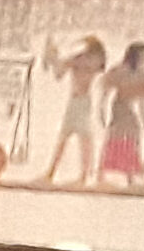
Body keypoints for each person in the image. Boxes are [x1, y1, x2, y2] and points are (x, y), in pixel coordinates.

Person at [39, 34, 106, 184]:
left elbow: (64, 70)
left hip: (82, 102)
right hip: (75, 102)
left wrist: (57, 58)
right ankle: (53, 173)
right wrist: (54, 58)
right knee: (68, 137)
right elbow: (59, 73)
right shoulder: (82, 60)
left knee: (82, 138)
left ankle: (82, 175)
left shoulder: (87, 61)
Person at [97, 41, 144, 186]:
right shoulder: (120, 71)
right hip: (119, 106)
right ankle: (102, 173)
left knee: (132, 139)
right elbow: (106, 93)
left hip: (131, 108)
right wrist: (102, 111)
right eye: (143, 55)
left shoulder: (143, 74)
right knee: (115, 137)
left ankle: (129, 175)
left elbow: (142, 101)